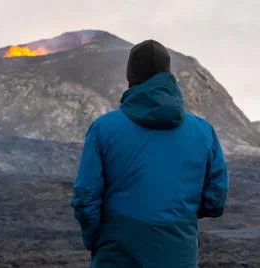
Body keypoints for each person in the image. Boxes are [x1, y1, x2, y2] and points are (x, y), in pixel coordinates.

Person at [70, 39, 229, 267]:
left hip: (117, 254)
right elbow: (216, 200)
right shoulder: (203, 131)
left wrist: (98, 240)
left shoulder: (103, 128)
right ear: (168, 77)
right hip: (178, 255)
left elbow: (86, 197)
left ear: (130, 80)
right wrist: (178, 218)